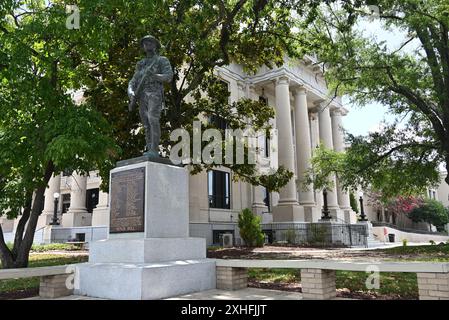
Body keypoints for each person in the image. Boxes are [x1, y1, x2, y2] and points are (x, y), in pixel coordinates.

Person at [128, 35, 173, 157]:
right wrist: (131, 93)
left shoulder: (161, 60)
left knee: (153, 118)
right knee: (146, 123)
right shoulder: (141, 64)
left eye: (150, 42)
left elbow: (168, 76)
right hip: (142, 95)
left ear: (155, 45)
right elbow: (133, 81)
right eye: (145, 43)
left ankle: (154, 149)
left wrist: (154, 75)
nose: (147, 44)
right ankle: (149, 148)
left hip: (155, 93)